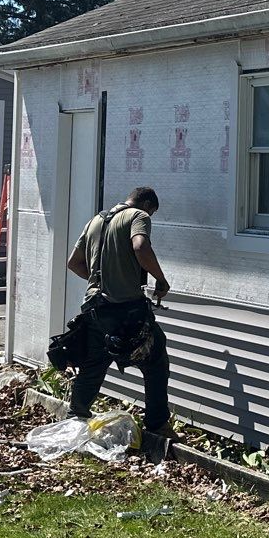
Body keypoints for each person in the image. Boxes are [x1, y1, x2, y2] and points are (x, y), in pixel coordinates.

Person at [64, 185, 174, 461]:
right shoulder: (139, 215)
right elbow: (140, 246)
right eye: (152, 212)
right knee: (155, 359)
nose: (150, 216)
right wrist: (160, 280)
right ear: (147, 204)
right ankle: (157, 425)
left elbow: (74, 263)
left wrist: (103, 278)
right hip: (125, 308)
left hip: (95, 307)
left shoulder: (96, 220)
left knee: (94, 363)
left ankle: (75, 418)